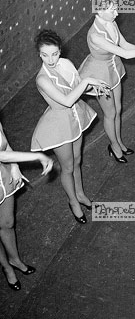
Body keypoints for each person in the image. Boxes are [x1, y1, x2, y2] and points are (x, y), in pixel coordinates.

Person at [31, 29, 110, 224]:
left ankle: (81, 194)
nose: (50, 60)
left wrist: (94, 86)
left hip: (75, 117)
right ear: (39, 54)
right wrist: (88, 81)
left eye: (55, 54)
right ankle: (73, 201)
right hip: (59, 126)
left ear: (60, 50)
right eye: (44, 55)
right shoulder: (42, 78)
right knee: (67, 167)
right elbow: (66, 101)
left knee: (77, 160)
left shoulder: (65, 64)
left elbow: (78, 87)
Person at [79, 0, 135, 161]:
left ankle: (119, 142)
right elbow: (126, 54)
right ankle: (114, 146)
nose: (117, 13)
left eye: (116, 9)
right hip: (100, 75)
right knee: (110, 112)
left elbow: (125, 44)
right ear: (99, 12)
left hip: (113, 67)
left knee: (118, 108)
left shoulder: (111, 22)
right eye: (112, 10)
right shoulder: (95, 35)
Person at [0, 122, 53, 291]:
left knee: (8, 223)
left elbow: (4, 144)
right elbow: (2, 156)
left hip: (3, 178)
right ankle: (7, 268)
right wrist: (38, 156)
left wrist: (14, 166)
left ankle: (14, 259)